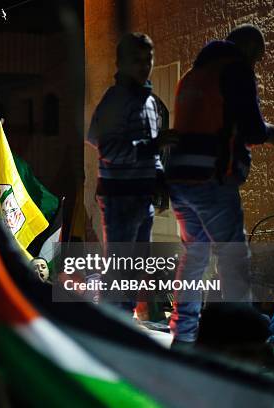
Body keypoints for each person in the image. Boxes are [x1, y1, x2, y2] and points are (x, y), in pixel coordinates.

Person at [166, 24, 274, 347]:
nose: (255, 65)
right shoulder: (236, 70)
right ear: (246, 50)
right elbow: (252, 127)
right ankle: (242, 341)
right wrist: (268, 132)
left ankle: (183, 335)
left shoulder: (191, 76)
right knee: (233, 257)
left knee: (195, 255)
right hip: (211, 180)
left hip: (181, 181)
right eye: (256, 57)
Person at [86, 32, 176, 312]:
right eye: (136, 60)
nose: (144, 65)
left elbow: (150, 151)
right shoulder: (116, 100)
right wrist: (153, 146)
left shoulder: (148, 101)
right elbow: (105, 147)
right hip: (120, 198)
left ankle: (121, 327)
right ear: (120, 63)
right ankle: (114, 332)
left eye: (148, 59)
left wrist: (160, 177)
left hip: (142, 196)